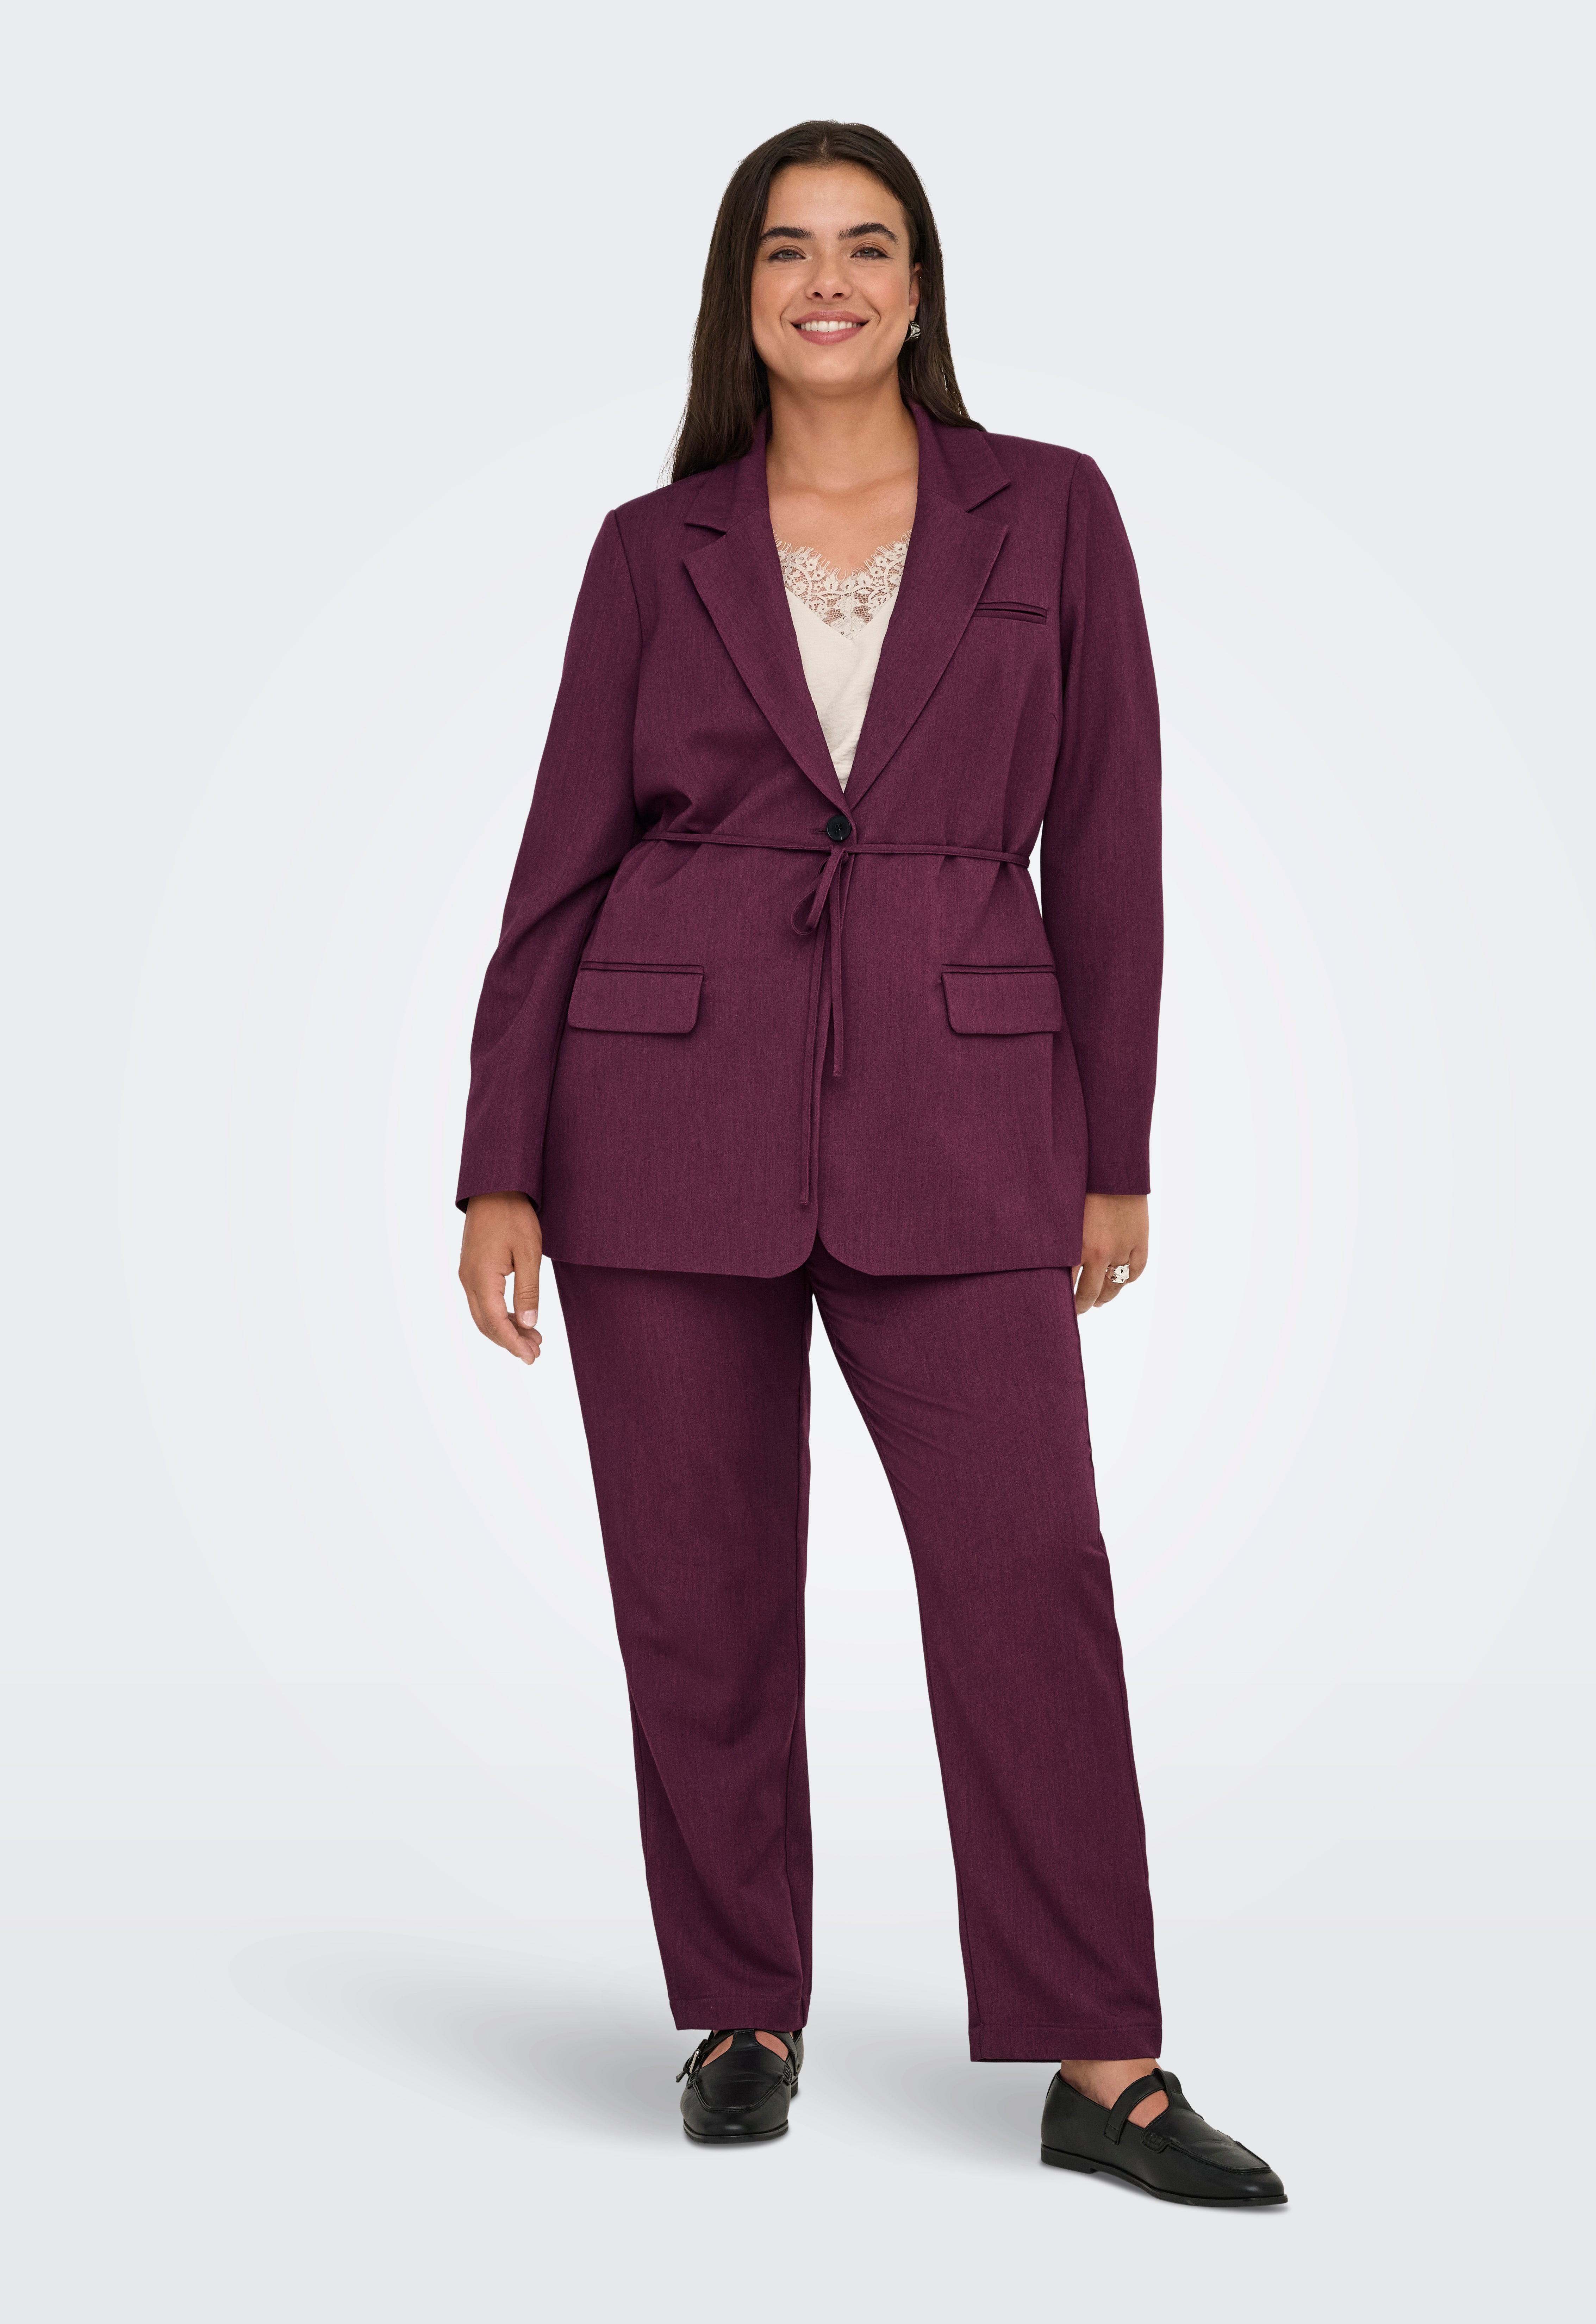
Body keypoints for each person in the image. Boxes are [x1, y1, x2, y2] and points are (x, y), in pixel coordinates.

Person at [455, 118, 1284, 2206]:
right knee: (701, 1594)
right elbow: (560, 862)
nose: (827, 279)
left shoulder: (1052, 509)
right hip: (660, 1119)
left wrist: (1114, 1146)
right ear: (740, 296)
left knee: (1029, 1578)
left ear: (919, 289)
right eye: (787, 249)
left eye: (868, 245)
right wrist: (498, 1165)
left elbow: (1109, 839)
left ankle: (1103, 2060)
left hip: (967, 1118)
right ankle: (741, 2008)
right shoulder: (651, 548)